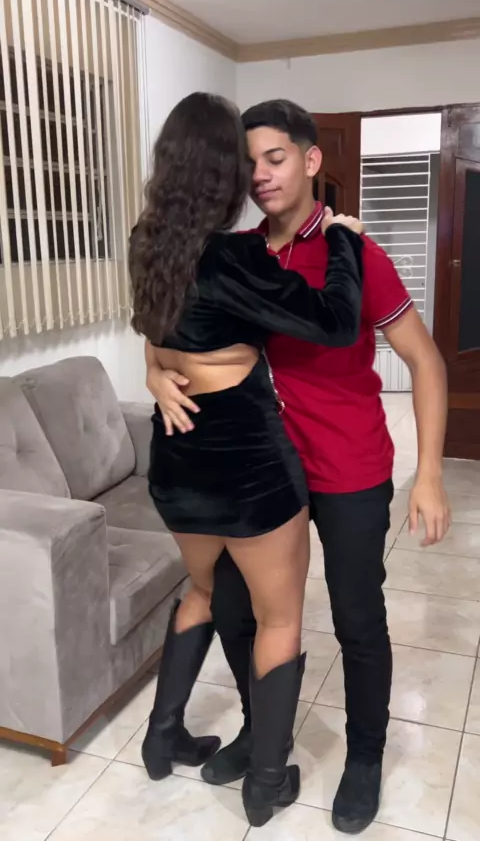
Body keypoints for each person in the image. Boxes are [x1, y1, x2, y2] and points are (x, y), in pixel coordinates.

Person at [146, 99, 451, 835]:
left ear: (312, 160)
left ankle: (366, 756)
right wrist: (155, 373)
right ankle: (264, 738)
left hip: (347, 466)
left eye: (275, 158)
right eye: (248, 161)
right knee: (236, 611)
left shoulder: (356, 252)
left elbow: (427, 362)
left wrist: (430, 473)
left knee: (356, 617)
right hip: (261, 473)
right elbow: (169, 323)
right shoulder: (236, 251)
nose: (260, 175)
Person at [129, 91, 365, 828]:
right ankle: (265, 785)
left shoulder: (146, 243)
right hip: (247, 467)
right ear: (224, 174)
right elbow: (336, 322)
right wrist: (344, 241)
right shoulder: (233, 257)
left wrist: (154, 372)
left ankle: (162, 739)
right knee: (279, 617)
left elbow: (153, 330)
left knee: (201, 592)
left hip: (176, 461)